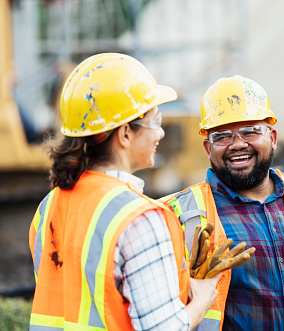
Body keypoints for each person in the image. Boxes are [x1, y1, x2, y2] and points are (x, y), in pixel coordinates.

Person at [28, 53, 220, 331]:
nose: (161, 133)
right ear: (125, 133)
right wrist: (201, 301)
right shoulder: (140, 218)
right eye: (155, 121)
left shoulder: (48, 206)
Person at [161, 75, 284, 330]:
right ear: (207, 148)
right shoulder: (178, 217)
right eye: (222, 136)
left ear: (273, 138)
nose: (238, 144)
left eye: (250, 131)